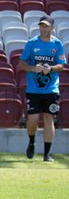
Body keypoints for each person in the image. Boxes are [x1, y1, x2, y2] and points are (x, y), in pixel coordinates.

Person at [19, 15, 66, 162]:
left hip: (51, 90)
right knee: (32, 119)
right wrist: (34, 68)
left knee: (49, 119)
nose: (42, 28)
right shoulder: (32, 43)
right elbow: (21, 62)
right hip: (34, 89)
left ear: (52, 27)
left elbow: (61, 65)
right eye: (41, 25)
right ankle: (32, 141)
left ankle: (47, 153)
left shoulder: (58, 44)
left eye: (46, 26)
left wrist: (50, 69)